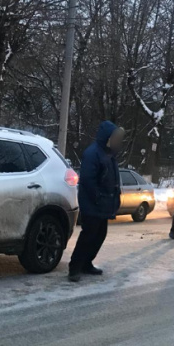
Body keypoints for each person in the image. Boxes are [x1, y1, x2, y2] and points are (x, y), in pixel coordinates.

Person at [68, 121, 125, 283]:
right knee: (88, 235)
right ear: (107, 137)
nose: (117, 141)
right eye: (114, 137)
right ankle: (75, 267)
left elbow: (112, 179)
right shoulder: (93, 153)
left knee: (100, 235)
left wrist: (114, 196)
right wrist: (98, 198)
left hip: (103, 203)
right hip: (92, 203)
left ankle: (86, 263)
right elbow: (88, 180)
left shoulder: (108, 154)